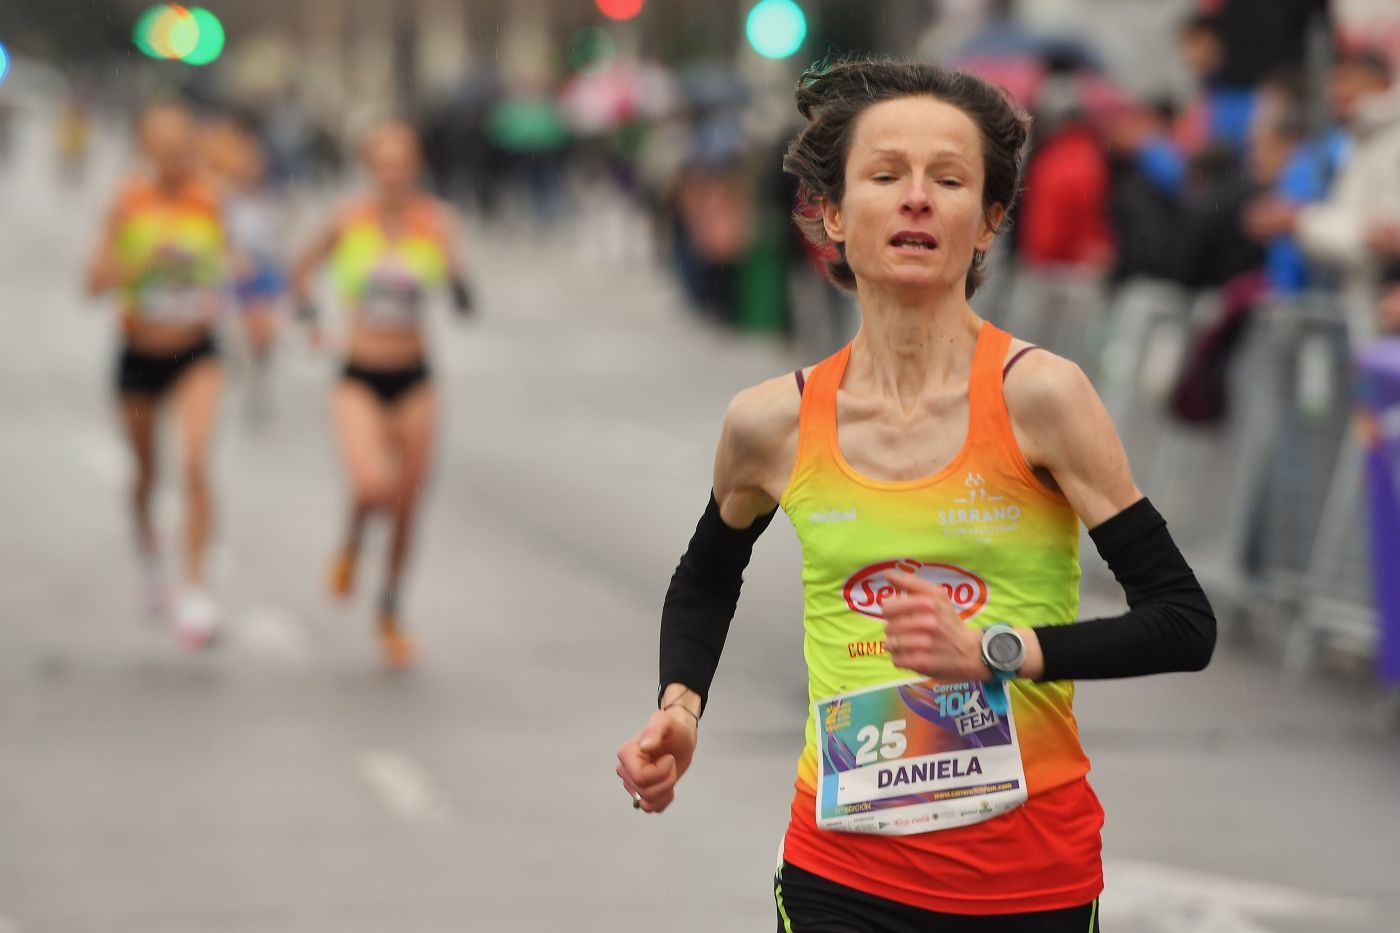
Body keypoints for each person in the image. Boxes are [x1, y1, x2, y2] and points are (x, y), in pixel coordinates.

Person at [616, 60, 1216, 931]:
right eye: (886, 174)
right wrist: (680, 705)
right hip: (839, 871)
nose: (917, 199)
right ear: (829, 213)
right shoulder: (770, 422)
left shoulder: (1040, 397)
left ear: (989, 223)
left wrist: (997, 652)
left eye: (950, 179)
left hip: (1028, 877)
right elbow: (707, 574)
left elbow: (1183, 620)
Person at [292, 121, 473, 670]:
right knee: (373, 485)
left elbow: (463, 297)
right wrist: (311, 321)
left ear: (416, 166)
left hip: (416, 376)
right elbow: (301, 271)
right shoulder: (347, 220)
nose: (393, 173)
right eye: (383, 163)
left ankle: (391, 608)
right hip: (360, 375)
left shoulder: (436, 221)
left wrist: (455, 269)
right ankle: (350, 540)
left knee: (406, 505)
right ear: (370, 167)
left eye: (403, 162)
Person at [84, 101, 230, 649]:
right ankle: (149, 554)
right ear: (146, 149)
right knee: (147, 473)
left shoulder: (212, 199)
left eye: (181, 147)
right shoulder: (127, 202)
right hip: (139, 353)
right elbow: (93, 281)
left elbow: (242, 261)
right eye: (161, 147)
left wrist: (240, 282)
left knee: (194, 463)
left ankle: (195, 593)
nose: (172, 157)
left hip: (197, 350)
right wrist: (141, 265)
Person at [204, 116, 291, 423]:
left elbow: (284, 234)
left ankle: (259, 377)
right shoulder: (222, 196)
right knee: (240, 331)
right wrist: (231, 257)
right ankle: (237, 365)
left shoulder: (275, 195)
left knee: (265, 334)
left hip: (265, 269)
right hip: (235, 271)